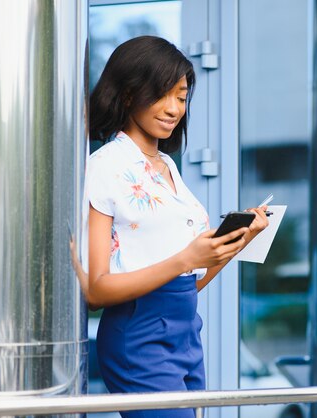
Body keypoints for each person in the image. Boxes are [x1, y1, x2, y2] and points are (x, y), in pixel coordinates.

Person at [78, 36, 269, 418]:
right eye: (162, 94)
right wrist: (185, 258)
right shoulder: (105, 165)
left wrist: (237, 243)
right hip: (138, 336)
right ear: (128, 94)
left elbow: (190, 279)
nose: (173, 108)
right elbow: (96, 290)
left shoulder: (167, 166)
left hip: (184, 332)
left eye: (181, 97)